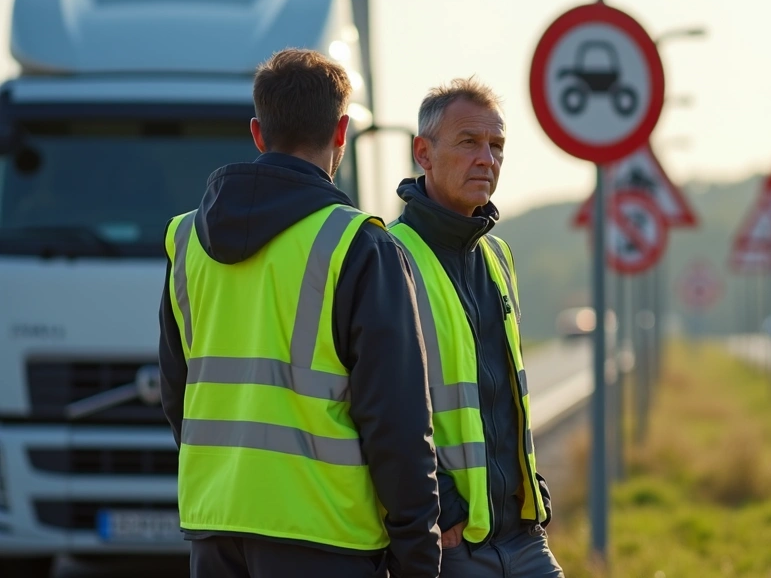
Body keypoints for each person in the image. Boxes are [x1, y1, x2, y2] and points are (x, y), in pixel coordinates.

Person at [157, 48, 442, 578]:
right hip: (326, 534)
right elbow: (396, 420)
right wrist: (418, 555)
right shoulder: (358, 245)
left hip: (216, 527)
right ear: (341, 132)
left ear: (258, 133)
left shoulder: (185, 240)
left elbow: (178, 396)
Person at [386, 78, 563, 577]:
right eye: (469, 142)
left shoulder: (498, 256)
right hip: (452, 541)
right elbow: (379, 400)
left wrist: (531, 482)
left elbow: (503, 394)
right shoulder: (388, 255)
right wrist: (438, 502)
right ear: (423, 152)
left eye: (497, 145)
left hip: (522, 535)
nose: (487, 158)